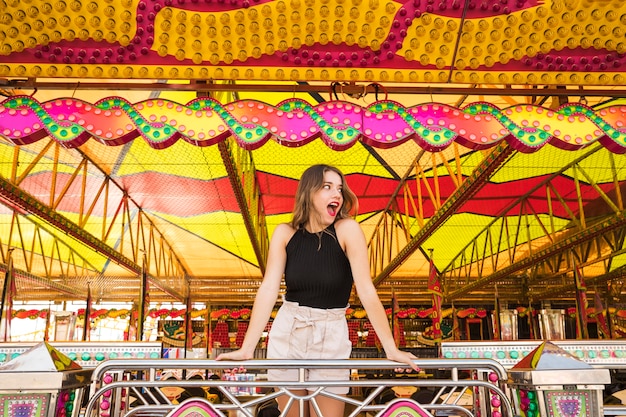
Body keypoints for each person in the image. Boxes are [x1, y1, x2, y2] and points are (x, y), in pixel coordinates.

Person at [217, 164, 419, 417]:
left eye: (339, 188)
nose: (337, 193)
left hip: (331, 331)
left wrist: (390, 347)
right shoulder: (284, 233)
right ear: (308, 193)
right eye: (327, 187)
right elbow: (268, 289)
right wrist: (247, 348)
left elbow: (366, 289)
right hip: (289, 330)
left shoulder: (347, 230)